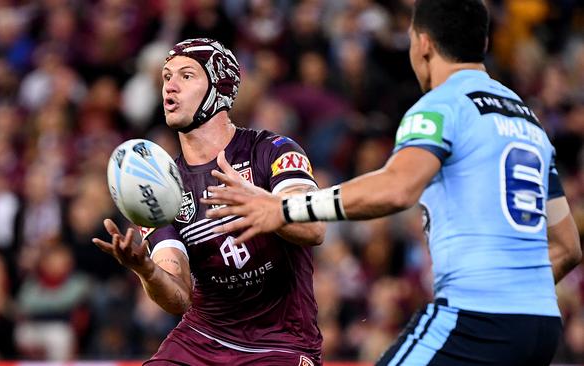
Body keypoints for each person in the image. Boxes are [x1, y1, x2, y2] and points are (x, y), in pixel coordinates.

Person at [203, 1, 582, 365]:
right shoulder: (528, 120)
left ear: (423, 43)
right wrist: (515, 298)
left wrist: (284, 208)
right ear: (482, 44)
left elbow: (397, 187)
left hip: (476, 316)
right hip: (540, 322)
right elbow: (567, 248)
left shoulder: (442, 104)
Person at [92, 38, 325, 365]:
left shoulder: (273, 150)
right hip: (203, 338)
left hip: (281, 343)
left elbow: (314, 229)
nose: (169, 87)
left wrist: (259, 205)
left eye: (186, 76)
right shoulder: (160, 187)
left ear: (219, 88)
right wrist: (145, 269)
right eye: (166, 77)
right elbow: (179, 297)